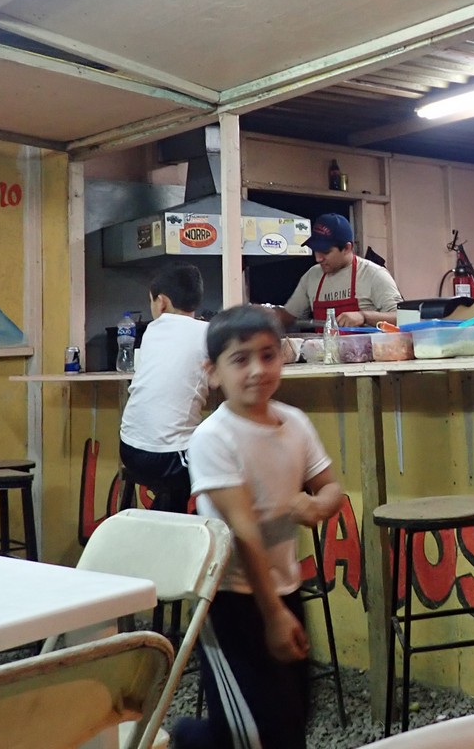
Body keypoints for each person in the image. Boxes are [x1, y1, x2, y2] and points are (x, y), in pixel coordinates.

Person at [173, 305, 343, 749]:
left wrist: (317, 506)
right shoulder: (213, 437)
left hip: (285, 587)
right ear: (213, 373)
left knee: (291, 719)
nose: (257, 370)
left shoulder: (295, 423)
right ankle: (187, 740)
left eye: (268, 356)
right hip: (229, 599)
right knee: (247, 731)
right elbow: (243, 530)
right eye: (240, 359)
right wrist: (272, 615)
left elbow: (331, 487)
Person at [118, 265, 209, 514]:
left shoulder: (151, 331)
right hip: (166, 455)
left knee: (182, 479)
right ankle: (196, 530)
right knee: (226, 462)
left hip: (129, 448)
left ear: (161, 303)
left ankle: (165, 524)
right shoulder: (209, 333)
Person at [279, 212, 402, 327]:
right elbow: (288, 316)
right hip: (324, 344)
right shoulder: (312, 275)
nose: (318, 258)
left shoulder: (374, 275)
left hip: (365, 344)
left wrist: (364, 316)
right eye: (316, 250)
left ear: (347, 248)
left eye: (326, 252)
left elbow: (403, 318)